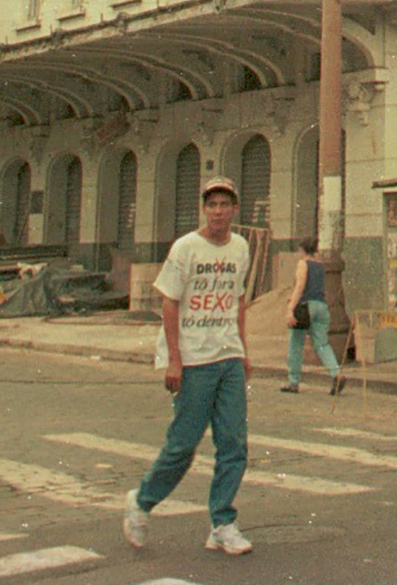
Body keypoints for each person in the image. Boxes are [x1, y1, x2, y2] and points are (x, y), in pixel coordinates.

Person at [125, 178, 254, 557]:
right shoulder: (185, 248)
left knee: (234, 443)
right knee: (183, 445)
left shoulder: (241, 247)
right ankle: (141, 502)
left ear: (234, 209)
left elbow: (238, 301)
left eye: (224, 204)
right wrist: (175, 360)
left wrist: (244, 352)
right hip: (194, 360)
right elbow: (169, 304)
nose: (218, 211)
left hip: (227, 355)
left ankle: (222, 523)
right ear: (204, 209)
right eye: (212, 204)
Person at [280, 238, 344, 396]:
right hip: (321, 306)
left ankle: (293, 382)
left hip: (305, 306)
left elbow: (300, 286)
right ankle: (337, 373)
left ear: (302, 250)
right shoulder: (320, 266)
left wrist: (290, 308)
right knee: (322, 344)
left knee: (296, 344)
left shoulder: (303, 264)